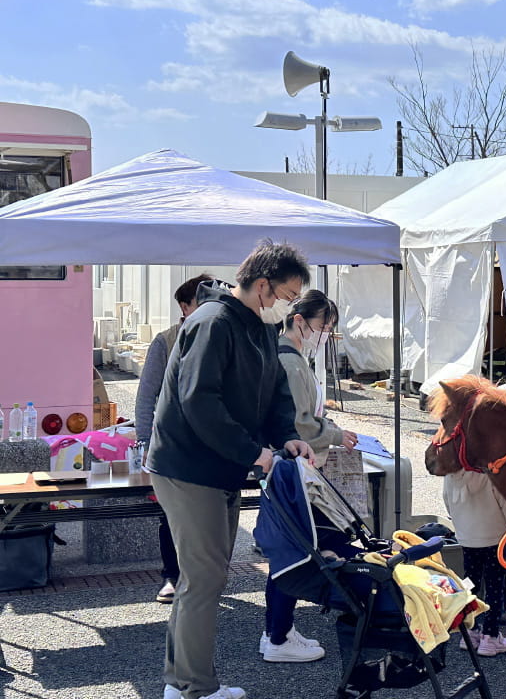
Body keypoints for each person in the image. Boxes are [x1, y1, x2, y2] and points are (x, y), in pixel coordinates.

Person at [147, 240, 316, 699]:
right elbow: (198, 399)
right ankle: (194, 688)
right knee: (205, 578)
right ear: (262, 285)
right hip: (187, 466)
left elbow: (275, 391)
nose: (287, 306)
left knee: (203, 576)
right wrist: (251, 451)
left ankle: (180, 682)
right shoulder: (213, 322)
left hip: (216, 466)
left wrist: (286, 435)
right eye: (284, 295)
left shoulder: (257, 327)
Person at [259, 289, 359, 663]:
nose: (324, 334)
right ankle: (279, 635)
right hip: (296, 472)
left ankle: (276, 630)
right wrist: (334, 433)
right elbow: (299, 424)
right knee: (297, 554)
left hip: (289, 470)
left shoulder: (286, 355)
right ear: (299, 320)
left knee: (289, 551)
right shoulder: (292, 362)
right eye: (322, 325)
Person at [135, 273, 213, 605]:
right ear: (185, 306)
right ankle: (172, 575)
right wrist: (144, 440)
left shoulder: (219, 337)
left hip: (212, 443)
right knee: (171, 513)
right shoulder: (166, 341)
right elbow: (146, 396)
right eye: (203, 302)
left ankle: (205, 576)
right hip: (172, 445)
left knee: (209, 512)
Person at [442, 468, 506, 657]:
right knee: (494, 587)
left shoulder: (450, 475)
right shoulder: (490, 473)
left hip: (467, 539)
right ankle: (490, 637)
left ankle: (470, 631)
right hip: (495, 539)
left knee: (469, 585)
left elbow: (447, 502)